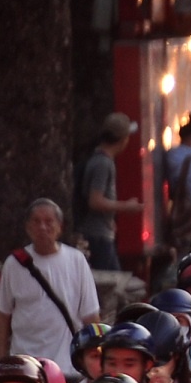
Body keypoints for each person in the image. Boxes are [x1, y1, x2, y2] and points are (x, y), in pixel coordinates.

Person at [0, 200, 99, 369]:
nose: (42, 227)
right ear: (28, 227)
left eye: (49, 221)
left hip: (67, 365)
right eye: (36, 221)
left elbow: (90, 316)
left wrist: (94, 362)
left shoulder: (76, 261)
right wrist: (0, 362)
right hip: (25, 364)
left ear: (60, 227)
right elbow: (2, 315)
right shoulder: (14, 264)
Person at [78, 113, 142, 272]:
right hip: (98, 236)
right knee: (112, 279)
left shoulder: (98, 159)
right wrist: (127, 206)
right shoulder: (103, 164)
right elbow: (95, 200)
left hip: (101, 232)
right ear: (122, 139)